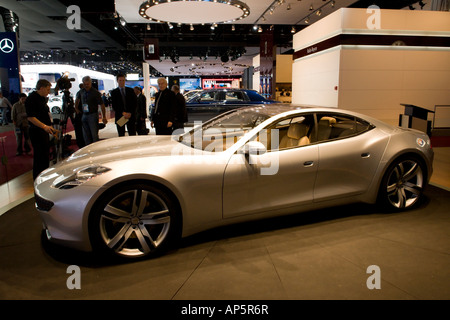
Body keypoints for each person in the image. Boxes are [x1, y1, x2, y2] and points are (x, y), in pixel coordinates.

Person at [25, 79, 58, 180]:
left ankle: (44, 176)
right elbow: (30, 117)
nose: (49, 91)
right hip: (37, 131)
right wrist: (44, 126)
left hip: (44, 131)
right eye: (47, 89)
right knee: (40, 157)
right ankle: (38, 178)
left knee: (45, 156)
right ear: (42, 88)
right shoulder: (31, 99)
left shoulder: (42, 99)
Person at [74, 76, 108, 145]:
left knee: (94, 135)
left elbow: (102, 105)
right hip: (84, 115)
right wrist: (76, 108)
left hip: (93, 115)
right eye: (85, 84)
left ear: (90, 83)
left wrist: (104, 116)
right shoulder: (81, 92)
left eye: (88, 84)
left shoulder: (95, 92)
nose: (86, 86)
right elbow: (77, 101)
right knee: (86, 136)